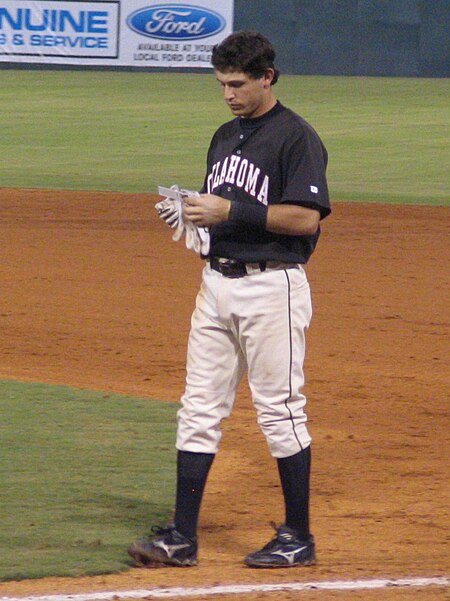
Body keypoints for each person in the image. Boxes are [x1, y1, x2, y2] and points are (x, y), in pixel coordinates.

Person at [128, 30, 331, 569]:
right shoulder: (224, 135)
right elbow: (217, 206)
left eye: (238, 84)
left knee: (280, 412)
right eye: (221, 84)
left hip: (273, 288)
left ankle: (299, 536)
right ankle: (181, 537)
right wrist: (191, 215)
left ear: (267, 77)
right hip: (215, 285)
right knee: (197, 409)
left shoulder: (296, 138)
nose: (229, 94)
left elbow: (305, 218)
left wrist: (227, 213)